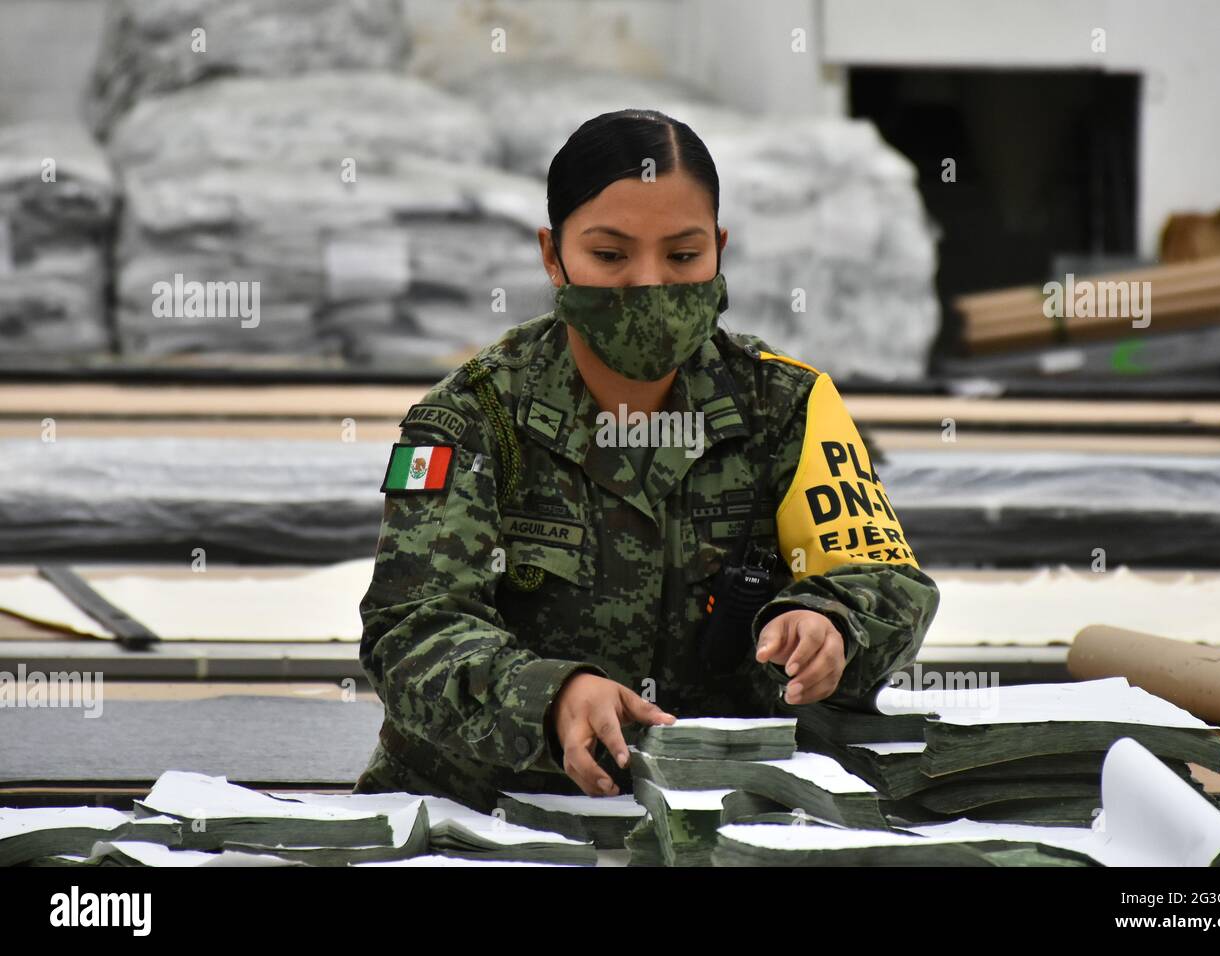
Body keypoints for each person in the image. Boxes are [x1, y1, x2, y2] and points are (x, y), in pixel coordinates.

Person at [353, 108, 940, 812]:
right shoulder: (469, 421)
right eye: (610, 255)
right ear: (552, 255)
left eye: (684, 256)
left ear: (720, 249)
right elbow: (412, 630)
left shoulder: (787, 407)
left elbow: (886, 579)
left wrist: (832, 624)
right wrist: (551, 696)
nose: (650, 284)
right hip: (490, 816)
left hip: (721, 814)